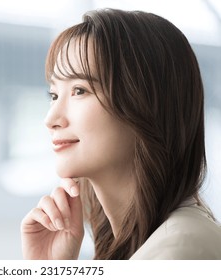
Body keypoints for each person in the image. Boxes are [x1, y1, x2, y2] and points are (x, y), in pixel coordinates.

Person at [20, 8, 221, 260]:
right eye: (54, 95)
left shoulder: (178, 249)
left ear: (146, 103)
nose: (51, 120)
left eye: (79, 90)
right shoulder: (158, 244)